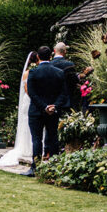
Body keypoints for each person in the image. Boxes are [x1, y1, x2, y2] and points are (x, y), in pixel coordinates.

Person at [25, 45, 67, 176]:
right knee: (53, 137)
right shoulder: (59, 73)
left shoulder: (33, 72)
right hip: (53, 112)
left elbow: (32, 93)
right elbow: (64, 93)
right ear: (50, 56)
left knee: (36, 139)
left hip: (37, 111)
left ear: (38, 57)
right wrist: (54, 106)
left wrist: (44, 106)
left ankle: (35, 168)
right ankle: (54, 167)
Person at [0, 51, 37, 169]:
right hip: (29, 100)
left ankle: (31, 147)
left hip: (30, 100)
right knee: (27, 124)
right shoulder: (28, 73)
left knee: (29, 124)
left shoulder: (32, 72)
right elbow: (27, 89)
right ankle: (27, 148)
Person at [50, 42, 80, 114]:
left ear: (54, 51)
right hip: (67, 101)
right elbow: (73, 81)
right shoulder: (69, 65)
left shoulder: (48, 65)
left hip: (51, 102)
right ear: (65, 51)